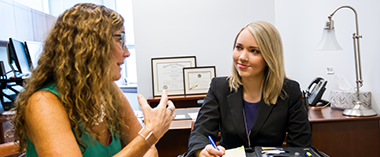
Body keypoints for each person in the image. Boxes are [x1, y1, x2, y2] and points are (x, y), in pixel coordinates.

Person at [12, 3, 176, 157]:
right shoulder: (43, 103)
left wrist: (148, 137)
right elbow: (145, 143)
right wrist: (149, 134)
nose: (127, 52)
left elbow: (149, 152)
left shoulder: (109, 91)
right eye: (121, 41)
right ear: (92, 47)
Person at [186, 21, 312, 157]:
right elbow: (200, 133)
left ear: (270, 56)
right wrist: (201, 152)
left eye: (254, 51)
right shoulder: (220, 87)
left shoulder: (289, 91)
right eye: (239, 47)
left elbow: (301, 146)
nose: (242, 57)